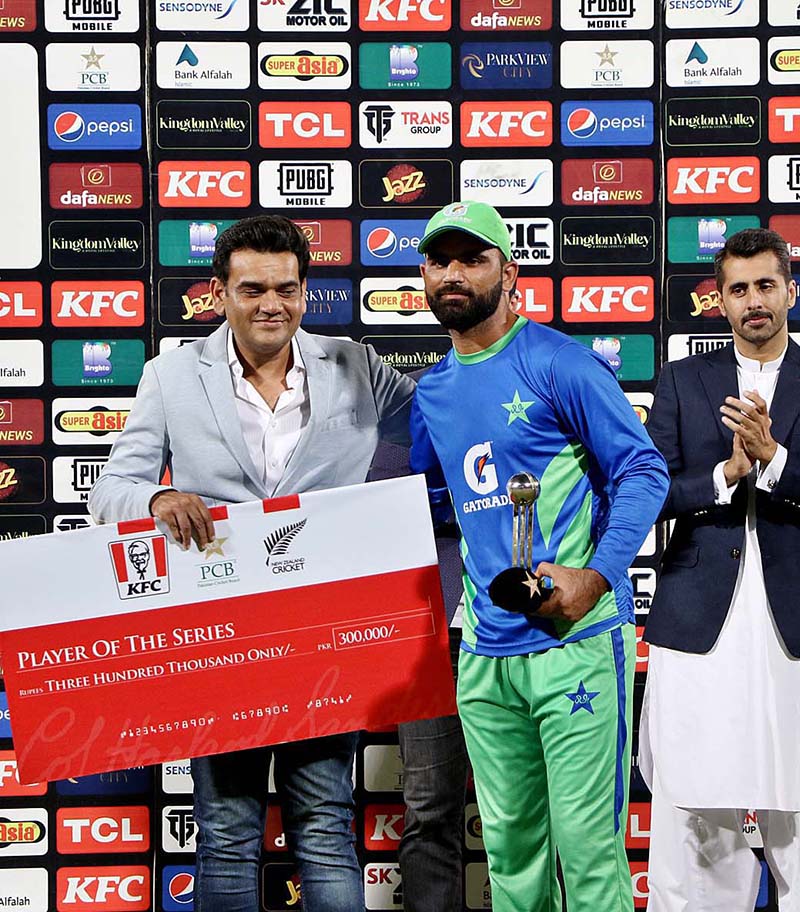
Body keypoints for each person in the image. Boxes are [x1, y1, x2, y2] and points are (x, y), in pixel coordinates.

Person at [88, 215, 416, 912]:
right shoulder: (171, 373)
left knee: (327, 828)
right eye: (253, 289)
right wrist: (158, 497)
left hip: (324, 630)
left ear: (306, 291)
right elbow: (110, 489)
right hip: (219, 638)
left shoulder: (356, 364)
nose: (272, 304)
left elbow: (441, 421)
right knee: (227, 833)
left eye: (287, 289)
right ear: (220, 292)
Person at [409, 200, 670, 912]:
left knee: (588, 857)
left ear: (509, 272)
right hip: (486, 659)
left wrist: (596, 576)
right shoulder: (430, 392)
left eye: (473, 259)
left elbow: (643, 471)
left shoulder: (558, 361)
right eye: (441, 261)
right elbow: (435, 507)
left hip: (575, 643)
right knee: (513, 862)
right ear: (424, 277)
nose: (455, 275)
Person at [641, 227, 800, 911]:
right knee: (696, 816)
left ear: (790, 290)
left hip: (793, 627)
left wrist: (777, 459)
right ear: (720, 302)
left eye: (766, 284)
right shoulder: (682, 380)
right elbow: (649, 489)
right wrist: (727, 474)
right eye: (738, 289)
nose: (753, 300)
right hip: (701, 619)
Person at [369, 433, 468, 912]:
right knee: (429, 809)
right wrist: (473, 496)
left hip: (526, 630)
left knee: (537, 807)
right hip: (434, 636)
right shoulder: (420, 402)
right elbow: (380, 500)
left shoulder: (537, 391)